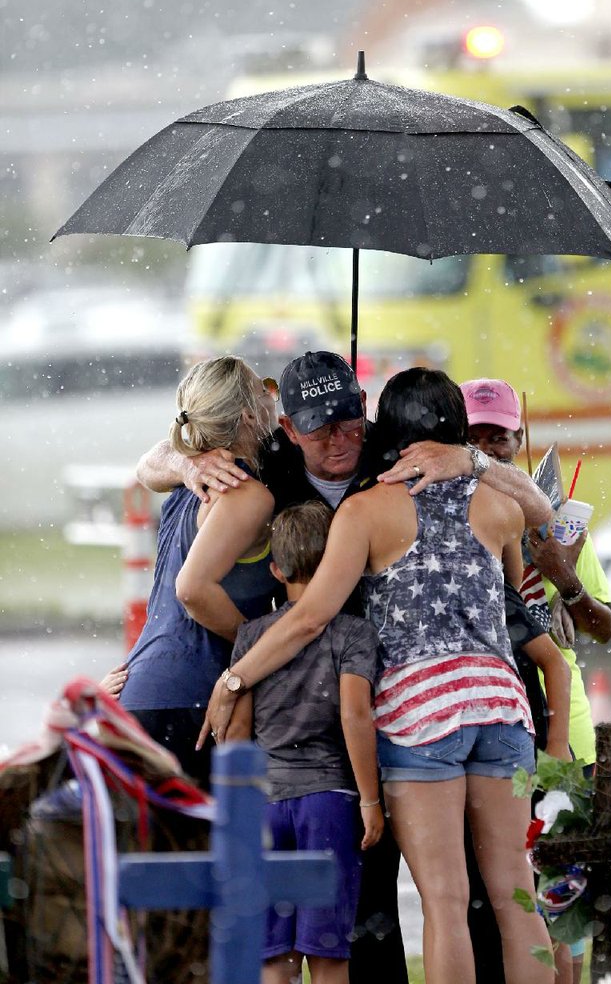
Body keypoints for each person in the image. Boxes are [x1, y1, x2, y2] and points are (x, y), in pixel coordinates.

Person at [137, 349, 554, 984]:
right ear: (286, 427)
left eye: (350, 421)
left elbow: (536, 508)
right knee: (390, 891)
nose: (341, 438)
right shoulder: (266, 471)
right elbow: (152, 466)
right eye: (320, 427)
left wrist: (470, 456)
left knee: (448, 894)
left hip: (397, 699)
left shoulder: (393, 460)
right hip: (329, 704)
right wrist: (180, 458)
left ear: (368, 412)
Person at [461, 376, 611, 984]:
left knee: (559, 904)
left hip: (560, 724)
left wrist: (563, 576)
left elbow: (602, 627)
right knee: (497, 897)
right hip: (482, 720)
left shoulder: (558, 524)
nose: (490, 448)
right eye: (475, 436)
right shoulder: (447, 513)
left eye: (500, 436)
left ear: (519, 440)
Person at [227, 500, 383, 984]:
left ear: (276, 569)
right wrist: (371, 800)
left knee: (274, 955)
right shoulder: (353, 633)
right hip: (329, 804)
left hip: (266, 806)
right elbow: (355, 714)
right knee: (328, 952)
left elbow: (236, 733)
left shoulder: (253, 637)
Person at [115, 355, 277, 786]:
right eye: (266, 391)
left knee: (147, 853)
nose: (273, 399)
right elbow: (192, 590)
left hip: (140, 693)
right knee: (212, 852)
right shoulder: (245, 494)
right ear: (249, 414)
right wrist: (265, 648)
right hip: (190, 703)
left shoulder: (190, 483)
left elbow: (150, 464)